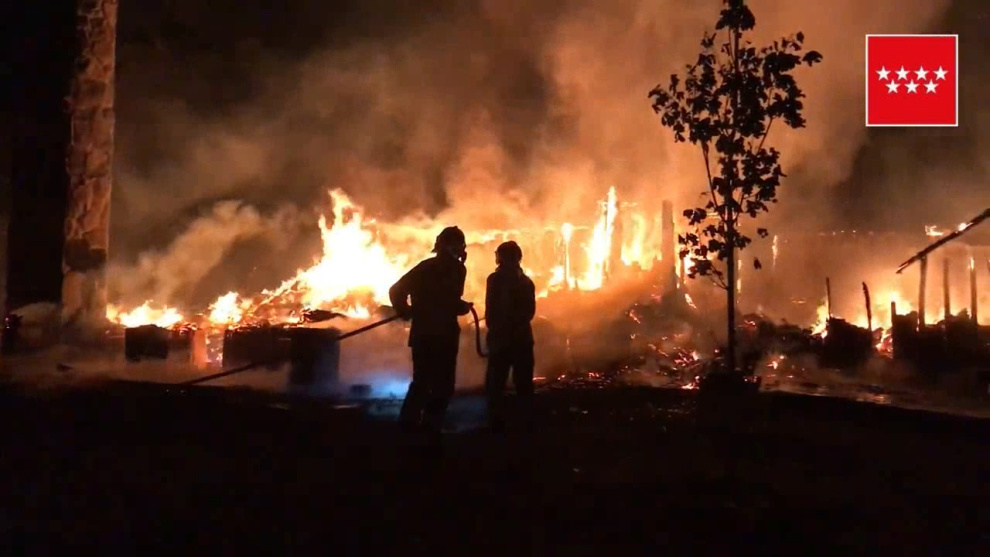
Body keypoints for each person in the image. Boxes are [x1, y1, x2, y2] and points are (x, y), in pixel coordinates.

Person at [389, 226, 473, 436]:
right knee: (443, 385)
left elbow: (396, 290)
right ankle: (430, 427)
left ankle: (407, 426)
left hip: (423, 334)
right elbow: (450, 301)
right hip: (444, 335)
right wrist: (461, 307)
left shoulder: (424, 267)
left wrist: (404, 310)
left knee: (421, 382)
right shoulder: (457, 269)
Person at [484, 241, 536, 431]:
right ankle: (524, 423)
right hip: (522, 339)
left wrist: (496, 330)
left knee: (496, 383)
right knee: (523, 383)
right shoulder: (526, 281)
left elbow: (491, 312)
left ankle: (496, 423)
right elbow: (529, 313)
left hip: (502, 340)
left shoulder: (495, 280)